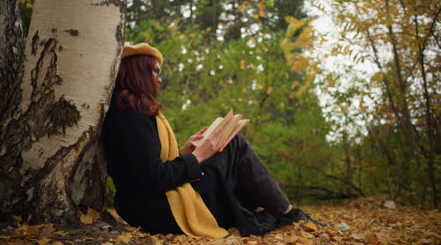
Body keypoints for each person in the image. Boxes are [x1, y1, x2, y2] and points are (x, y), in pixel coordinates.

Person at [102, 43, 324, 238]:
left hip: (154, 203)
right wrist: (198, 156)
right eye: (155, 71)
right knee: (234, 146)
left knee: (232, 147)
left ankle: (268, 213)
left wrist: (185, 150)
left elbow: (147, 166)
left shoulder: (133, 112)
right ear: (137, 73)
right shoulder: (128, 116)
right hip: (157, 208)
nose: (159, 78)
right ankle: (288, 214)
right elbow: (152, 179)